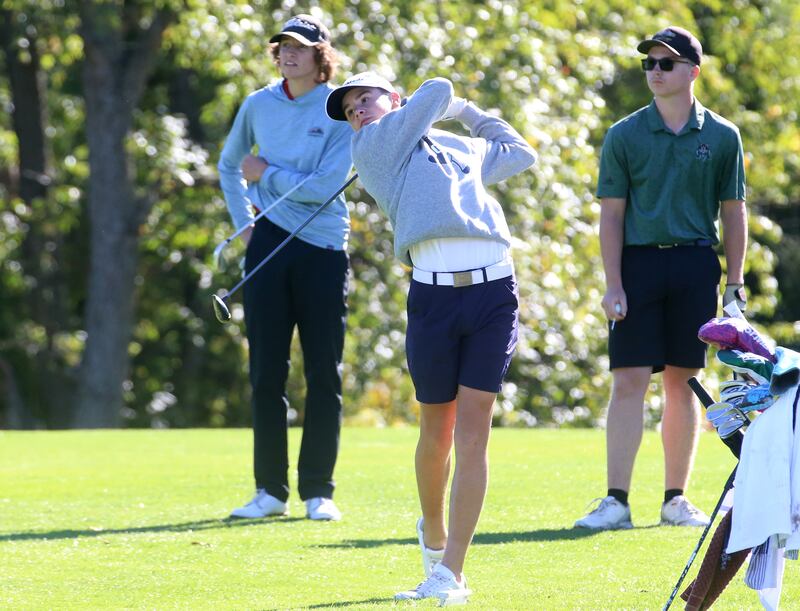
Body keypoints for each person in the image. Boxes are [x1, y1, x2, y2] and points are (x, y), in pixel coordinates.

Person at [325, 72, 536, 603]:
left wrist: (468, 113)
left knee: (473, 434)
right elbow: (438, 88)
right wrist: (448, 101)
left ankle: (451, 573)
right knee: (435, 432)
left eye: (364, 100)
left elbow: (519, 152)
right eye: (350, 109)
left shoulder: (457, 146)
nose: (358, 113)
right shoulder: (371, 147)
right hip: (434, 299)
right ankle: (433, 530)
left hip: (493, 292)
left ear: (393, 98)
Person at [575, 26, 748, 530]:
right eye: (649, 63)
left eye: (666, 64)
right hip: (638, 265)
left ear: (692, 72)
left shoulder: (722, 135)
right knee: (628, 380)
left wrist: (734, 282)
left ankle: (676, 499)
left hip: (695, 264)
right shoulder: (624, 134)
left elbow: (733, 211)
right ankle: (615, 501)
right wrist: (613, 283)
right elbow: (611, 215)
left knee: (683, 381)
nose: (655, 71)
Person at [217, 14, 353, 522]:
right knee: (265, 372)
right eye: (283, 46)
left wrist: (267, 174)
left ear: (321, 55)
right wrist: (244, 224)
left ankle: (318, 490)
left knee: (324, 372)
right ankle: (269, 492)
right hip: (268, 242)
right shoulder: (258, 104)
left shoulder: (341, 107)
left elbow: (324, 186)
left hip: (322, 247)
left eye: (300, 47)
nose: (289, 54)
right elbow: (230, 165)